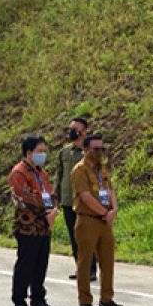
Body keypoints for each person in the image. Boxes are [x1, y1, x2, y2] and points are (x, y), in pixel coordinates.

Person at [8, 135, 60, 306]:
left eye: (44, 151)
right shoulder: (19, 173)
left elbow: (51, 194)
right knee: (26, 264)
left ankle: (38, 299)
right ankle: (19, 301)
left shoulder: (42, 173)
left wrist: (54, 209)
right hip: (28, 226)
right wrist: (46, 213)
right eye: (40, 151)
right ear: (29, 153)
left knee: (41, 264)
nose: (43, 155)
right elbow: (23, 199)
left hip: (44, 226)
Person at [72, 134, 123, 306]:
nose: (100, 152)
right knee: (85, 262)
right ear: (85, 150)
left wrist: (114, 210)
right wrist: (104, 213)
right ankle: (85, 300)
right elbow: (85, 196)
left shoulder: (103, 169)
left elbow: (110, 190)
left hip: (105, 221)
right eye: (96, 149)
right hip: (88, 220)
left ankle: (107, 299)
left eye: (102, 149)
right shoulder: (80, 170)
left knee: (108, 261)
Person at [53, 117, 95, 281]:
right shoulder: (65, 151)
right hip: (67, 201)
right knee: (74, 236)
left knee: (86, 237)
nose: (71, 132)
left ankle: (90, 269)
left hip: (85, 202)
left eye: (75, 129)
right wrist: (56, 195)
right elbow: (60, 174)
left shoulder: (90, 152)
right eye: (70, 128)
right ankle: (80, 267)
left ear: (84, 131)